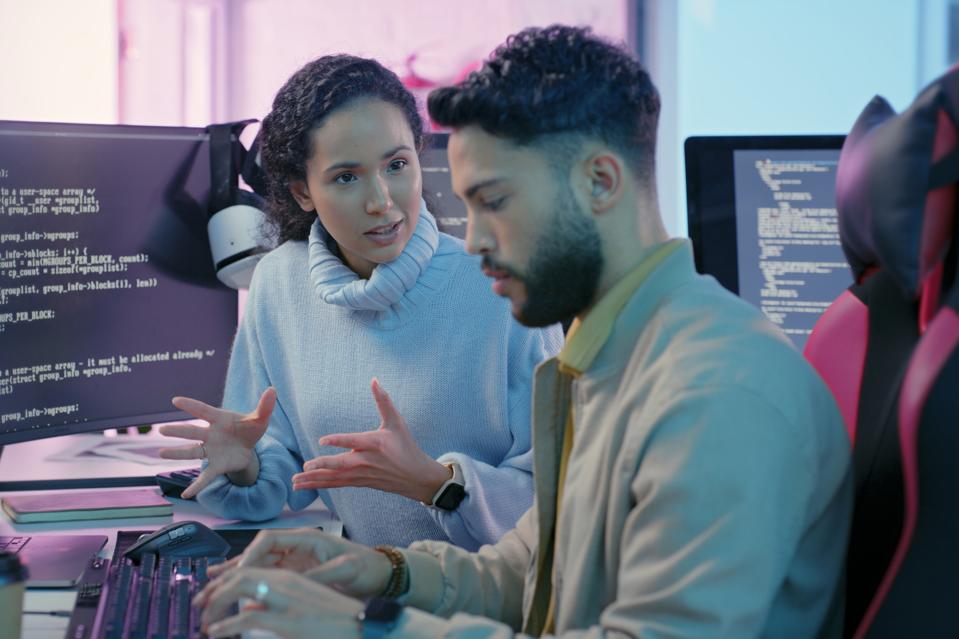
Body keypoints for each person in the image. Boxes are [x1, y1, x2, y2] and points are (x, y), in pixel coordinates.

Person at [191, 25, 853, 638]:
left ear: (599, 181)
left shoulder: (713, 394)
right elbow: (527, 574)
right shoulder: (609, 360)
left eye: (495, 203)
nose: (472, 241)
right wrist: (375, 572)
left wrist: (366, 628)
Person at [158, 54, 563, 551]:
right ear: (302, 192)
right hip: (367, 592)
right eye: (346, 177)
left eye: (396, 166)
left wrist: (438, 484)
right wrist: (245, 466)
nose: (381, 202)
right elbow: (273, 466)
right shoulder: (280, 282)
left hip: (486, 604)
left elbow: (558, 502)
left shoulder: (500, 287)